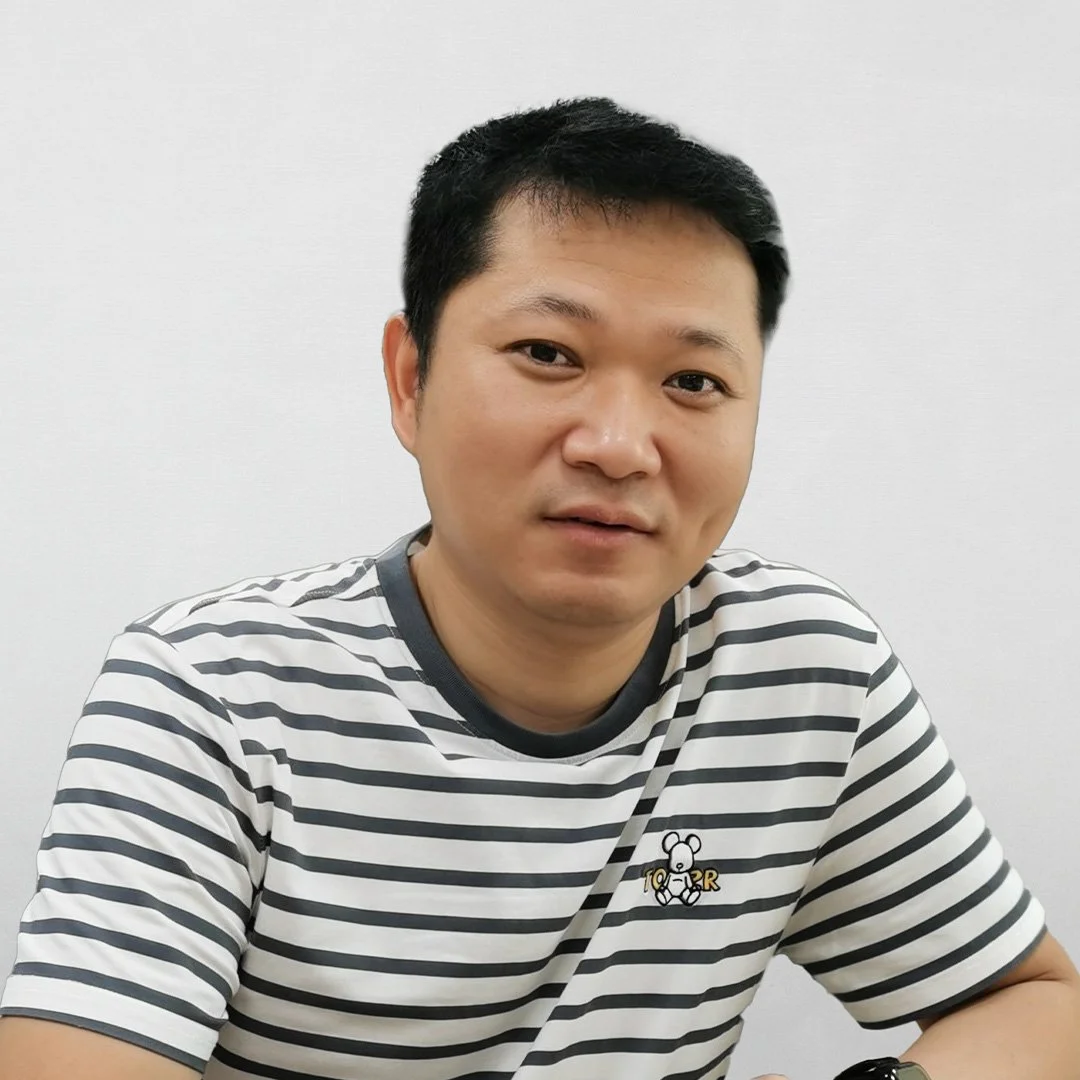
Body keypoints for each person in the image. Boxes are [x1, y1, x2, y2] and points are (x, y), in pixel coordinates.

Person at [0, 96, 1076, 1080]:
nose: (619, 444)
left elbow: (1034, 1005)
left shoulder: (800, 672)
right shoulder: (213, 692)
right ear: (410, 380)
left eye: (694, 381)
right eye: (548, 352)